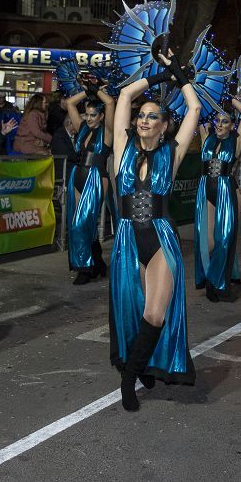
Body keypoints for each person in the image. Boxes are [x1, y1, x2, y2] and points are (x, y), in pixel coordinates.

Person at [110, 49, 201, 411]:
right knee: (132, 312)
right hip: (127, 239)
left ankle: (128, 381)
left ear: (164, 124)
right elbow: (126, 95)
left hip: (160, 238)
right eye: (142, 116)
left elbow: (194, 109)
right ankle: (141, 364)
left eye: (153, 116)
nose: (144, 120)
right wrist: (160, 77)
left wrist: (175, 70)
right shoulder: (122, 148)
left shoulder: (172, 153)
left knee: (154, 315)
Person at [195, 98, 241, 301]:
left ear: (232, 125)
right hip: (205, 191)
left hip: (225, 191)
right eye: (217, 120)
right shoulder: (205, 136)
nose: (219, 124)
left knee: (224, 239)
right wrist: (213, 94)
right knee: (207, 243)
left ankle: (218, 282)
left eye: (225, 121)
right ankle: (212, 278)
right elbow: (198, 106)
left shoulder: (236, 141)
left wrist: (231, 96)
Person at [63, 87, 116, 285]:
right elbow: (69, 103)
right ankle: (98, 262)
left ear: (102, 116)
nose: (89, 118)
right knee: (81, 223)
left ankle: (85, 268)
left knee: (80, 224)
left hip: (96, 177)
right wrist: (86, 90)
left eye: (94, 115)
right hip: (77, 174)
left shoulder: (108, 131)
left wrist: (97, 89)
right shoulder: (82, 127)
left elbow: (110, 102)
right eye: (87, 114)